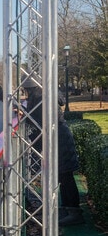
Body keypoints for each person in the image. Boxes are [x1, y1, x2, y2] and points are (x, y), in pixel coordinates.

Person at [22, 76, 83, 226]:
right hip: (59, 137)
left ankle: (74, 212)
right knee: (64, 176)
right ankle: (69, 209)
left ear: (30, 88)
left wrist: (24, 113)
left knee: (66, 176)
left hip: (58, 139)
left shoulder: (39, 98)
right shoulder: (45, 94)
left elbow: (38, 120)